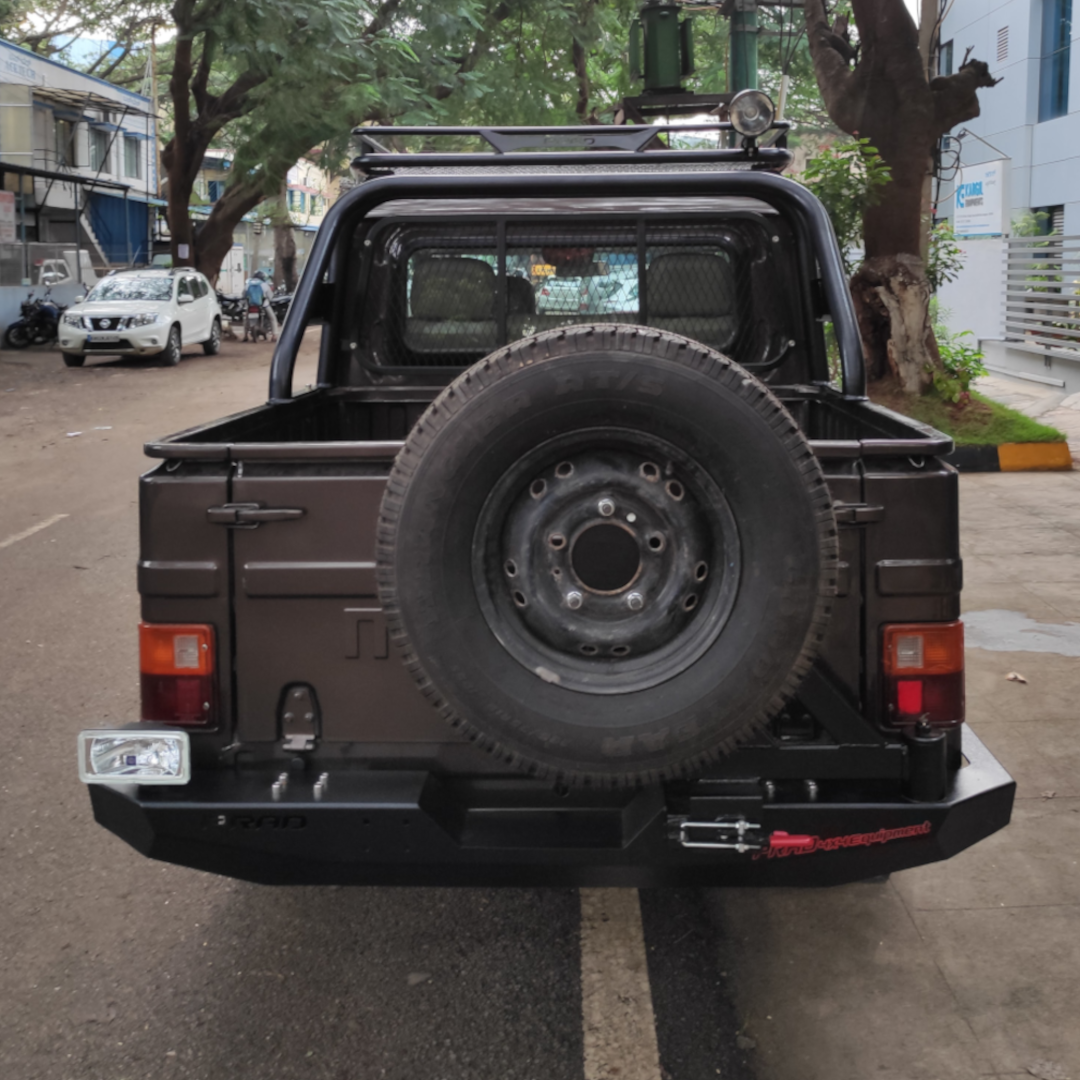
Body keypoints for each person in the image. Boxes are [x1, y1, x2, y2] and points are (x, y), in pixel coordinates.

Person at [244, 270, 279, 340]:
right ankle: (274, 335)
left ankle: (245, 336)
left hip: (250, 305)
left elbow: (243, 294)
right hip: (264, 305)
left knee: (246, 319)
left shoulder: (248, 284)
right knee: (272, 318)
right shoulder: (264, 284)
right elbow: (270, 296)